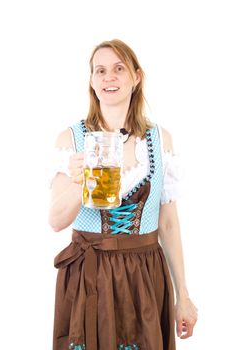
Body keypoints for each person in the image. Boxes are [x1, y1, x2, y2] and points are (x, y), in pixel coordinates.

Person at [49, 39, 198, 350]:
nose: (109, 77)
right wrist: (80, 181)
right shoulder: (72, 140)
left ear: (136, 77)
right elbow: (55, 220)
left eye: (119, 69)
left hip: (145, 275)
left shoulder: (160, 140)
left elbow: (168, 224)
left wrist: (183, 295)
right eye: (100, 70)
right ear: (91, 81)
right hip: (89, 276)